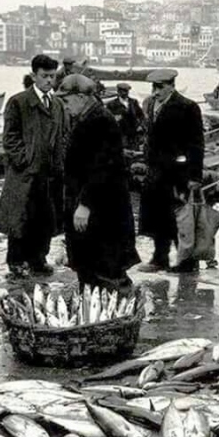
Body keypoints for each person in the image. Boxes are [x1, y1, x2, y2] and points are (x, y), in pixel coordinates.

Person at [57, 74, 140, 290]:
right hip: (95, 205)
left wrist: (85, 204)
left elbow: (103, 168)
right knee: (90, 267)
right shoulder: (88, 117)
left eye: (66, 101)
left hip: (101, 209)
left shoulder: (100, 121)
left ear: (81, 97)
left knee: (106, 269)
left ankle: (118, 305)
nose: (65, 106)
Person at [0, 54, 67, 278]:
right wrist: (25, 161)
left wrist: (60, 163)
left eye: (52, 76)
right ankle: (16, 261)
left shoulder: (57, 104)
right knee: (20, 219)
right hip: (25, 174)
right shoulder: (19, 102)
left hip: (50, 173)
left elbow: (63, 135)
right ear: (34, 76)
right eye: (44, 76)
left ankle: (38, 260)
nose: (49, 81)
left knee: (45, 219)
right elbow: (10, 138)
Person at [138, 68, 204, 273]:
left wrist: (195, 176)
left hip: (177, 172)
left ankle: (187, 260)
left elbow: (196, 143)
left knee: (180, 217)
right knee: (158, 216)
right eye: (154, 87)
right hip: (156, 171)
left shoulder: (187, 107)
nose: (156, 91)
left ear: (171, 86)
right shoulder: (151, 105)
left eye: (160, 87)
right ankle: (160, 257)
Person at [106, 82, 145, 150]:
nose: (125, 93)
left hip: (134, 133)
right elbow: (108, 120)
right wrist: (115, 119)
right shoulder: (111, 104)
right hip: (120, 133)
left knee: (134, 151)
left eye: (126, 91)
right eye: (122, 91)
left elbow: (141, 115)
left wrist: (140, 125)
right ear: (118, 92)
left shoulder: (133, 102)